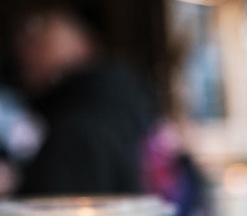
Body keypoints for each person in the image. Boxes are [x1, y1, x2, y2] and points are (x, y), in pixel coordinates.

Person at [12, 4, 154, 196]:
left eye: (39, 28)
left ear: (84, 40)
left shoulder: (78, 124)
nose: (24, 45)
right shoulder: (115, 96)